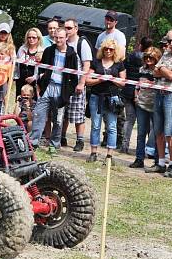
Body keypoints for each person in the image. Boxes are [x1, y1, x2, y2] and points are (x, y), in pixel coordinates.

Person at [146, 29, 172, 177]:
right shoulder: (166, 53)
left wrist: (161, 68)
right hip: (159, 93)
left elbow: (171, 75)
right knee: (158, 131)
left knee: (170, 132)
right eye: (168, 41)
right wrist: (162, 69)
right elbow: (154, 72)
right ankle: (160, 163)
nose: (170, 44)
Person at [29, 28, 79, 153]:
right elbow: (42, 68)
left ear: (66, 38)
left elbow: (74, 77)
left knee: (58, 119)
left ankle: (54, 145)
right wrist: (40, 83)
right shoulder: (49, 50)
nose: (58, 40)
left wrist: (68, 93)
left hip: (61, 90)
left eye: (61, 37)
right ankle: (33, 142)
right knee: (38, 114)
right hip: (47, 87)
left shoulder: (72, 54)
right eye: (56, 37)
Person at [86, 39, 126, 162]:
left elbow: (123, 82)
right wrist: (100, 79)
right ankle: (93, 153)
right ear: (102, 49)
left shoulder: (119, 64)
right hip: (96, 97)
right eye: (106, 49)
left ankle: (109, 155)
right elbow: (88, 80)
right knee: (95, 126)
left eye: (111, 49)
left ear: (115, 51)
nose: (108, 51)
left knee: (112, 127)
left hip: (112, 98)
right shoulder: (96, 62)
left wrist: (112, 79)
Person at [60, 18, 93, 152]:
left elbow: (86, 64)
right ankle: (62, 137)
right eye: (65, 28)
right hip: (64, 84)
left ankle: (80, 141)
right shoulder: (63, 42)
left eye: (69, 28)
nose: (67, 30)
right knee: (63, 112)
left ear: (76, 29)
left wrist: (81, 83)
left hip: (77, 84)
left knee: (78, 113)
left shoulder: (82, 43)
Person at [129, 46, 162, 168]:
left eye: (151, 57)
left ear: (156, 58)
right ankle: (139, 158)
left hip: (155, 106)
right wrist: (136, 96)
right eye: (147, 57)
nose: (148, 59)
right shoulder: (141, 69)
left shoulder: (159, 71)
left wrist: (152, 83)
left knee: (157, 133)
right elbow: (137, 85)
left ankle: (158, 161)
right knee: (141, 133)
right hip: (141, 104)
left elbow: (162, 84)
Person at [15, 27, 44, 99]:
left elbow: (44, 70)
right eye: (29, 37)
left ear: (38, 38)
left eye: (34, 37)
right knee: (20, 102)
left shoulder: (43, 51)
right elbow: (16, 64)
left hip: (35, 83)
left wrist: (35, 77)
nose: (31, 39)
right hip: (21, 81)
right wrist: (15, 77)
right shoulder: (22, 49)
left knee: (33, 104)